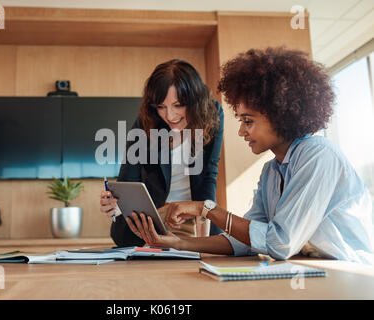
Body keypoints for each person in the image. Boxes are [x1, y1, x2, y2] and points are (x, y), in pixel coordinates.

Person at [126, 47, 374, 265]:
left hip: (350, 271)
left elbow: (280, 243)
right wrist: (177, 244)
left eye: (248, 121)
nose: (241, 130)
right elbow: (243, 241)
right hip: (311, 268)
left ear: (280, 115)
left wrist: (206, 208)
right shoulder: (271, 172)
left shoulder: (318, 155)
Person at [100, 59, 224, 247]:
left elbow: (209, 176)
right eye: (161, 107)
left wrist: (203, 239)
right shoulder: (146, 122)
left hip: (195, 219)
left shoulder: (213, 115)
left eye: (178, 105)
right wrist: (117, 204)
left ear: (195, 100)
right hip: (153, 220)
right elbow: (128, 179)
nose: (170, 116)